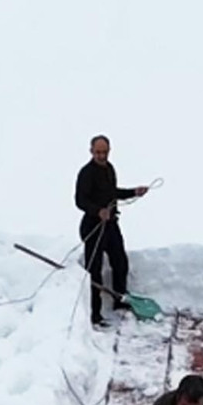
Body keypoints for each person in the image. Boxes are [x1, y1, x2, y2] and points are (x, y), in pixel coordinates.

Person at [74, 134, 150, 327]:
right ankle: (95, 316)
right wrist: (98, 211)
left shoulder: (110, 169)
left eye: (104, 152)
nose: (101, 155)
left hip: (111, 226)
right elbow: (80, 200)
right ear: (91, 151)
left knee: (120, 263)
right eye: (98, 152)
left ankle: (119, 300)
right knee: (95, 272)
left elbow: (113, 193)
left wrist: (134, 192)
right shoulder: (86, 173)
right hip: (93, 227)